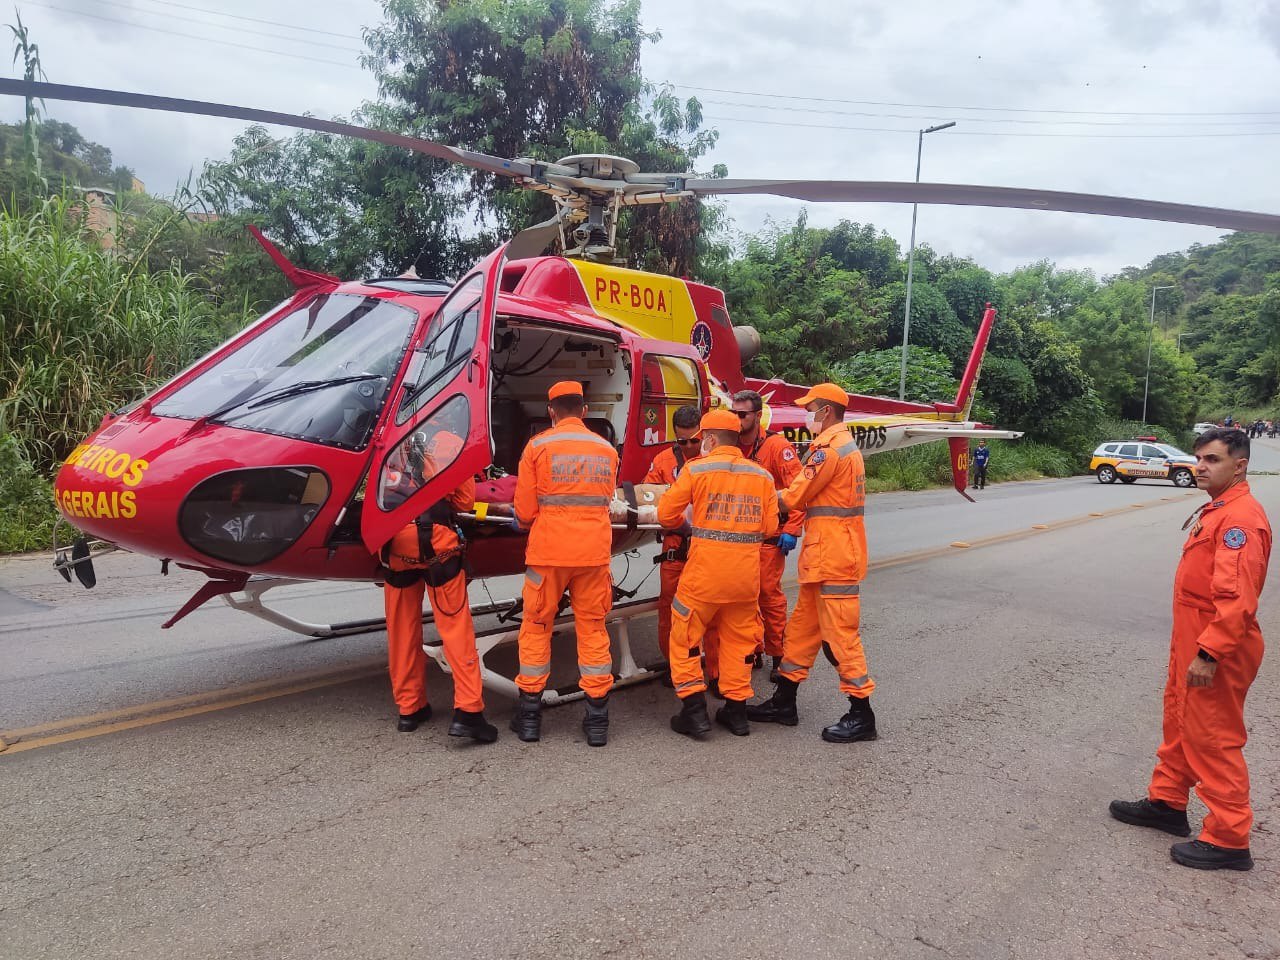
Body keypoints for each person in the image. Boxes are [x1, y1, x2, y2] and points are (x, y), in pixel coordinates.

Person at [1109, 428, 1271, 870]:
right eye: (1199, 458)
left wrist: (1210, 653)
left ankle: (1229, 838)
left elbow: (1237, 599)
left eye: (1213, 460)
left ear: (1239, 466)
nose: (1200, 466)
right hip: (1194, 639)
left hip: (1218, 645)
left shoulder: (1240, 519)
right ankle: (1167, 802)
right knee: (1180, 720)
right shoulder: (1219, 509)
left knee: (1214, 738)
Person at [749, 382, 878, 744]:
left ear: (826, 411)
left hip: (834, 557)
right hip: (825, 555)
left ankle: (861, 713)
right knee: (802, 632)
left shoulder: (830, 450)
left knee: (841, 638)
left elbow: (793, 497)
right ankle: (784, 702)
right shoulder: (837, 445)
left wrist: (748, 493)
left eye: (811, 408)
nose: (808, 415)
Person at [657, 409, 780, 738]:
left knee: (684, 637)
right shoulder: (762, 476)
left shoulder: (697, 469)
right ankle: (736, 712)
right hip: (744, 579)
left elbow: (666, 513)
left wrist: (696, 521)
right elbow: (770, 526)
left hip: (704, 577)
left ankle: (694, 712)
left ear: (709, 439)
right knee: (740, 643)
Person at [510, 381, 620, 747]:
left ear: (551, 411)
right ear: (585, 411)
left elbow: (525, 513)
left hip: (548, 555)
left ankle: (529, 718)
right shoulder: (606, 450)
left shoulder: (538, 446)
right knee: (592, 629)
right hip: (592, 556)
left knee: (537, 628)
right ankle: (597, 721)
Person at [378, 429, 497, 743]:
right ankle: (469, 712)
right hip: (438, 548)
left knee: (402, 631)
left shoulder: (389, 442)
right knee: (456, 629)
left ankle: (409, 709)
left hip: (396, 548)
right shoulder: (452, 442)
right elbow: (465, 501)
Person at [644, 404, 719, 683]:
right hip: (676, 547)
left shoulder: (715, 460)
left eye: (694, 440)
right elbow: (649, 495)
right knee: (670, 610)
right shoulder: (664, 461)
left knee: (710, 612)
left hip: (708, 546)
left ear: (704, 435)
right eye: (681, 441)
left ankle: (716, 671)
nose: (688, 446)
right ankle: (676, 665)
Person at [732, 389, 803, 681]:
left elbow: (799, 492)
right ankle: (754, 649)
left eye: (742, 414)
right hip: (738, 540)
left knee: (768, 598)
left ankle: (778, 655)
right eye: (733, 414)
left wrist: (791, 529)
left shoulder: (777, 447)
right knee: (742, 599)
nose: (736, 420)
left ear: (758, 415)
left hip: (769, 539)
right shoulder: (732, 445)